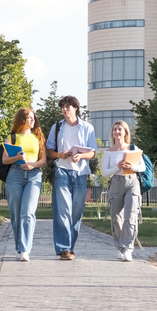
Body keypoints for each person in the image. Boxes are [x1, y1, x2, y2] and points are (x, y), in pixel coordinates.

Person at [46, 96, 97, 260]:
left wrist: (81, 157)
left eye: (68, 106)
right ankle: (64, 249)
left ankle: (70, 247)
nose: (64, 109)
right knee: (63, 211)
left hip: (80, 173)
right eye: (62, 107)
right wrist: (60, 154)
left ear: (76, 108)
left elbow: (93, 152)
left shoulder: (87, 127)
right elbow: (49, 151)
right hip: (62, 171)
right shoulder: (57, 127)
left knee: (76, 212)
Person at [3, 108, 46, 262]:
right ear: (22, 119)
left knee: (27, 212)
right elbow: (4, 160)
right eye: (29, 117)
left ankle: (25, 250)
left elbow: (43, 160)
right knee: (15, 214)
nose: (32, 120)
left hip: (34, 176)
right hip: (15, 175)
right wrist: (16, 157)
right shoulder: (12, 137)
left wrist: (33, 165)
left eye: (33, 118)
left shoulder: (38, 137)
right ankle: (19, 248)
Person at [101, 121, 145, 262]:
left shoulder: (133, 148)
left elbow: (142, 167)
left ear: (125, 132)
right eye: (115, 129)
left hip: (132, 181)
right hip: (117, 183)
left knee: (131, 215)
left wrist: (131, 165)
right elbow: (104, 173)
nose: (117, 132)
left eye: (120, 129)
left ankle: (128, 248)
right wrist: (117, 168)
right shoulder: (108, 152)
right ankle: (120, 246)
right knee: (117, 218)